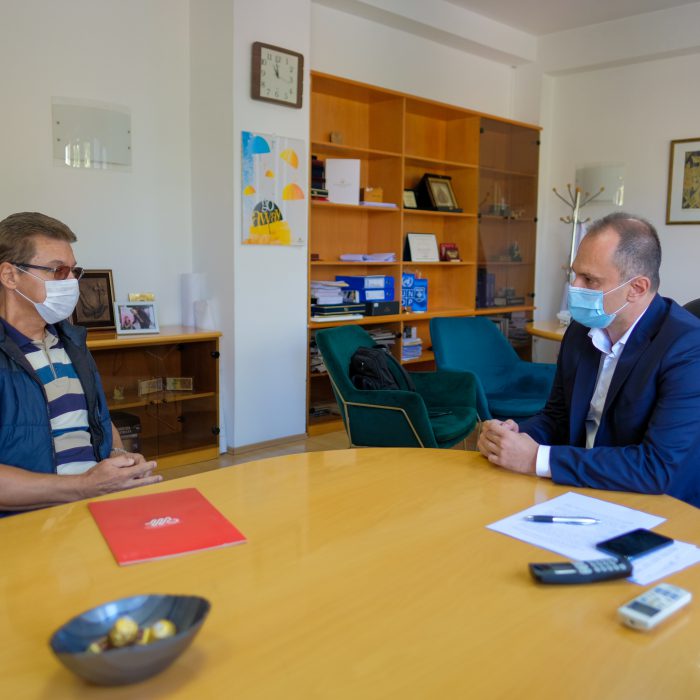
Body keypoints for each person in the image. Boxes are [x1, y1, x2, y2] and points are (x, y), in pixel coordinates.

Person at [478, 212, 700, 507]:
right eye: (575, 274)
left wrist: (536, 458)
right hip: (582, 486)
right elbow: (557, 417)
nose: (575, 287)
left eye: (590, 279)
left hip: (658, 504)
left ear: (637, 288)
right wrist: (514, 436)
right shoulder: (581, 330)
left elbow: (655, 467)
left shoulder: (688, 347)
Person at [0, 212, 161, 512]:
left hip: (95, 506)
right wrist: (82, 486)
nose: (72, 282)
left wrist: (119, 457)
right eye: (58, 270)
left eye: (74, 271)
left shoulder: (72, 343)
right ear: (10, 276)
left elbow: (99, 417)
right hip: (29, 521)